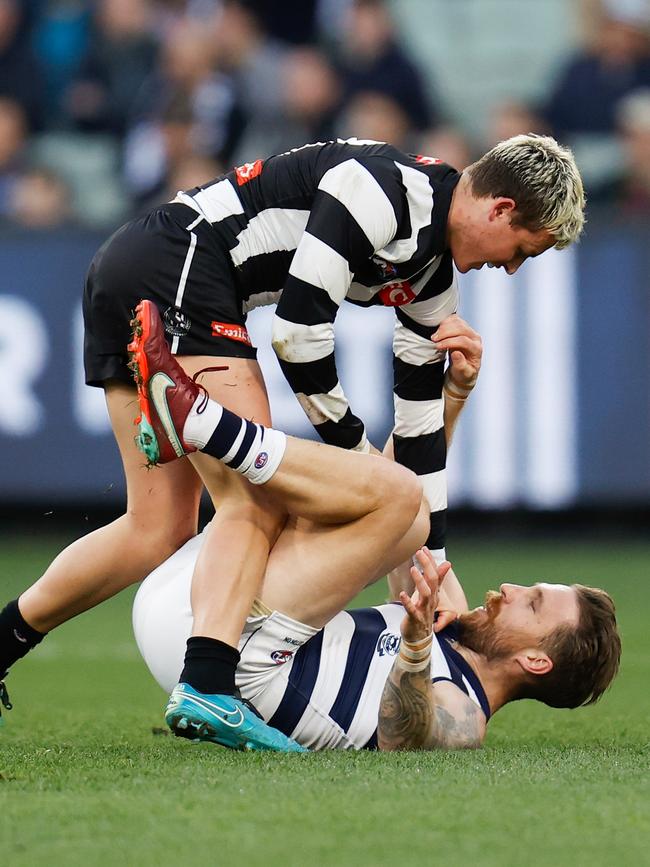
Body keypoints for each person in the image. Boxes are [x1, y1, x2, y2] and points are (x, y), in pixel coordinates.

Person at [0, 133, 584, 751]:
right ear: (500, 210)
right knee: (259, 494)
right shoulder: (387, 189)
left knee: (158, 527)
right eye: (524, 249)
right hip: (181, 266)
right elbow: (299, 337)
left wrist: (430, 562)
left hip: (143, 269)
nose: (514, 268)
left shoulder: (435, 279)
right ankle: (207, 683)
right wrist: (363, 469)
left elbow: (416, 433)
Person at [128, 314, 621, 751]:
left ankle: (202, 423)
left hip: (231, 659)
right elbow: (397, 488)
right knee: (406, 517)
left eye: (532, 603)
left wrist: (415, 645)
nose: (512, 589)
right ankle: (183, 345)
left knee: (401, 510)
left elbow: (403, 736)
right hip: (208, 601)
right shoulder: (446, 609)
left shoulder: (464, 710)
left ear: (536, 660)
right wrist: (451, 395)